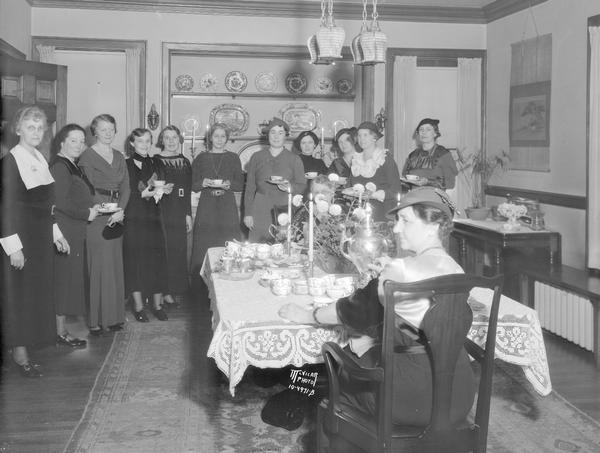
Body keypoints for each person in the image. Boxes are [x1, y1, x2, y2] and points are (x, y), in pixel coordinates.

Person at [279, 187, 475, 448]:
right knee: (370, 350)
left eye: (405, 221)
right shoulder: (458, 270)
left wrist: (307, 314)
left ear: (433, 226)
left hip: (410, 399)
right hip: (459, 395)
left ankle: (335, 436)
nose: (395, 229)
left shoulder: (398, 270)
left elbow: (350, 312)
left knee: (339, 381)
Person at [0, 106, 70, 377]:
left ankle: (26, 345)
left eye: (40, 128)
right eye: (30, 127)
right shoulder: (9, 162)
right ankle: (19, 354)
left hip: (40, 237)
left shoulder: (40, 158)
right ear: (18, 130)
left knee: (34, 294)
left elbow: (46, 205)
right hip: (20, 238)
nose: (36, 132)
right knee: (20, 295)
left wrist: (57, 234)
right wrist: (13, 247)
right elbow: (5, 208)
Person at [79, 114, 130, 335]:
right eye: (103, 129)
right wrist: (104, 207)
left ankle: (115, 317)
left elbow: (126, 187)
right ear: (95, 132)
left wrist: (120, 209)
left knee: (114, 266)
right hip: (96, 216)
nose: (108, 133)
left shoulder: (119, 156)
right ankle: (95, 321)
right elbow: (86, 189)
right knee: (97, 268)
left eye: (112, 129)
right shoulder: (86, 157)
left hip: (116, 215)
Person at [50, 124, 100, 348]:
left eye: (82, 141)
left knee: (68, 281)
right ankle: (58, 333)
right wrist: (86, 213)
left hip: (76, 229)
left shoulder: (73, 165)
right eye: (74, 140)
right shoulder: (60, 167)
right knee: (63, 281)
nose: (79, 145)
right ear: (62, 142)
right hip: (66, 230)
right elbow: (60, 204)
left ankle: (60, 331)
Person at [123, 128, 169, 322]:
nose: (144, 144)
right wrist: (142, 194)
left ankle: (157, 305)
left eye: (148, 141)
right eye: (140, 141)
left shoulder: (156, 162)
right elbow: (124, 192)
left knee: (157, 261)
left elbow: (161, 185)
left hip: (153, 218)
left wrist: (162, 190)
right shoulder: (125, 164)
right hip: (134, 218)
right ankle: (139, 306)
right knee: (136, 261)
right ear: (132, 143)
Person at [190, 123, 243, 273]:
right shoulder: (201, 158)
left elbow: (240, 185)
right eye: (216, 136)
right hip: (207, 206)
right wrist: (203, 183)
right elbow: (193, 185)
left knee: (228, 243)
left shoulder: (233, 158)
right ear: (210, 138)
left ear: (227, 138)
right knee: (204, 244)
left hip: (227, 207)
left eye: (223, 136)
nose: (219, 139)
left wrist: (229, 184)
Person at [243, 118, 306, 242]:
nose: (276, 136)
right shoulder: (256, 157)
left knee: (281, 246)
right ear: (268, 135)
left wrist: (289, 186)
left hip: (283, 208)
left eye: (280, 133)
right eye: (273, 132)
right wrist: (248, 213)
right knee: (258, 248)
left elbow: (302, 185)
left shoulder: (294, 159)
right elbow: (250, 188)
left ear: (285, 136)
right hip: (260, 207)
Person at [154, 125, 192, 307]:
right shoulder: (155, 160)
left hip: (179, 211)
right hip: (162, 210)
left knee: (178, 251)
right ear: (161, 140)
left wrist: (187, 215)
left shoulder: (185, 162)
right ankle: (161, 292)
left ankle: (173, 290)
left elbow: (187, 189)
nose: (170, 141)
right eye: (167, 138)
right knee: (164, 251)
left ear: (179, 140)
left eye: (174, 137)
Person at [349, 121, 401, 221]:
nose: (361, 139)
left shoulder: (385, 159)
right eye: (359, 136)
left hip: (382, 213)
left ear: (374, 137)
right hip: (360, 214)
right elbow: (350, 186)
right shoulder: (356, 160)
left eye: (365, 135)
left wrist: (373, 195)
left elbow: (396, 190)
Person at [402, 118, 458, 191]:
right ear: (418, 134)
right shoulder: (412, 156)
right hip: (414, 198)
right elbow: (406, 180)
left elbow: (450, 183)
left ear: (435, 133)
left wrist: (428, 182)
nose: (424, 133)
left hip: (435, 198)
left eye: (428, 129)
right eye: (421, 130)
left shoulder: (444, 154)